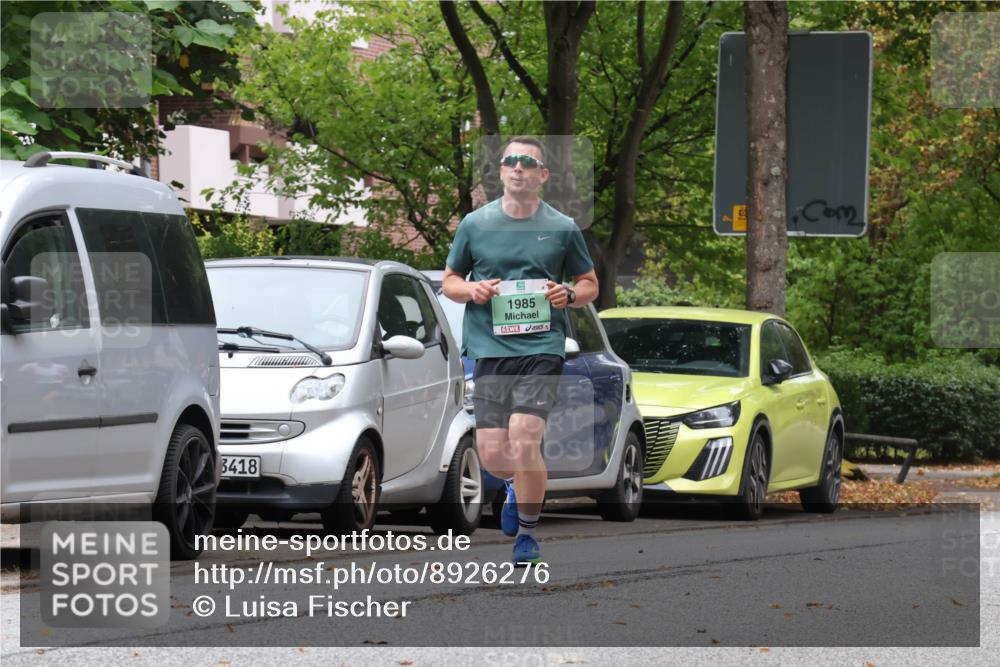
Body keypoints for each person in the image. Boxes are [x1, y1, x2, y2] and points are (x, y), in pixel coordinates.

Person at [442, 136, 598, 565]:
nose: (517, 168)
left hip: (542, 345)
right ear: (501, 171)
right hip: (490, 347)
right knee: (494, 454)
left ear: (542, 175)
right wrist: (471, 290)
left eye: (527, 163)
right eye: (510, 161)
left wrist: (569, 293)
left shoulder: (563, 227)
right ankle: (512, 485)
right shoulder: (475, 224)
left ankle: (527, 536)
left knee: (526, 439)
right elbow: (449, 280)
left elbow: (589, 284)